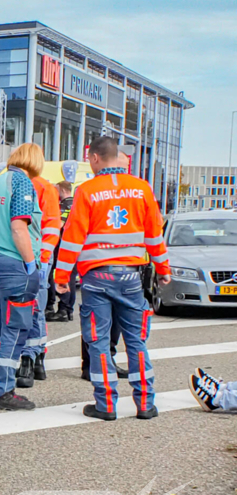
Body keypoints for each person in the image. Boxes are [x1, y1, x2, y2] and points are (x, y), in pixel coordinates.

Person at [54, 136, 169, 421]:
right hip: (131, 277)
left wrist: (61, 276)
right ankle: (145, 404)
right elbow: (155, 234)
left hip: (96, 278)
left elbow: (72, 238)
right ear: (116, 156)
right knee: (136, 341)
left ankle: (105, 405)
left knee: (98, 341)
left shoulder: (87, 191)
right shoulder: (142, 189)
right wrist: (163, 269)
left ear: (94, 158)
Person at [0, 143, 45, 411]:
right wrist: (31, 264)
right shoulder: (22, 183)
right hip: (13, 264)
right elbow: (19, 228)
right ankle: (4, 391)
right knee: (15, 329)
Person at [17, 173, 62, 388]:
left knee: (33, 308)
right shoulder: (42, 186)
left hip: (35, 255)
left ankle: (31, 358)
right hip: (31, 254)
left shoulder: (40, 186)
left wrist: (42, 259)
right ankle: (38, 360)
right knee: (35, 309)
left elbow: (51, 227)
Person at [47, 183, 76, 322]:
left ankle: (61, 309)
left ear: (63, 190)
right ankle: (69, 310)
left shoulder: (64, 206)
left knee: (58, 276)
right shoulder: (77, 204)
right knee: (71, 277)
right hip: (77, 246)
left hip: (63, 246)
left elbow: (59, 225)